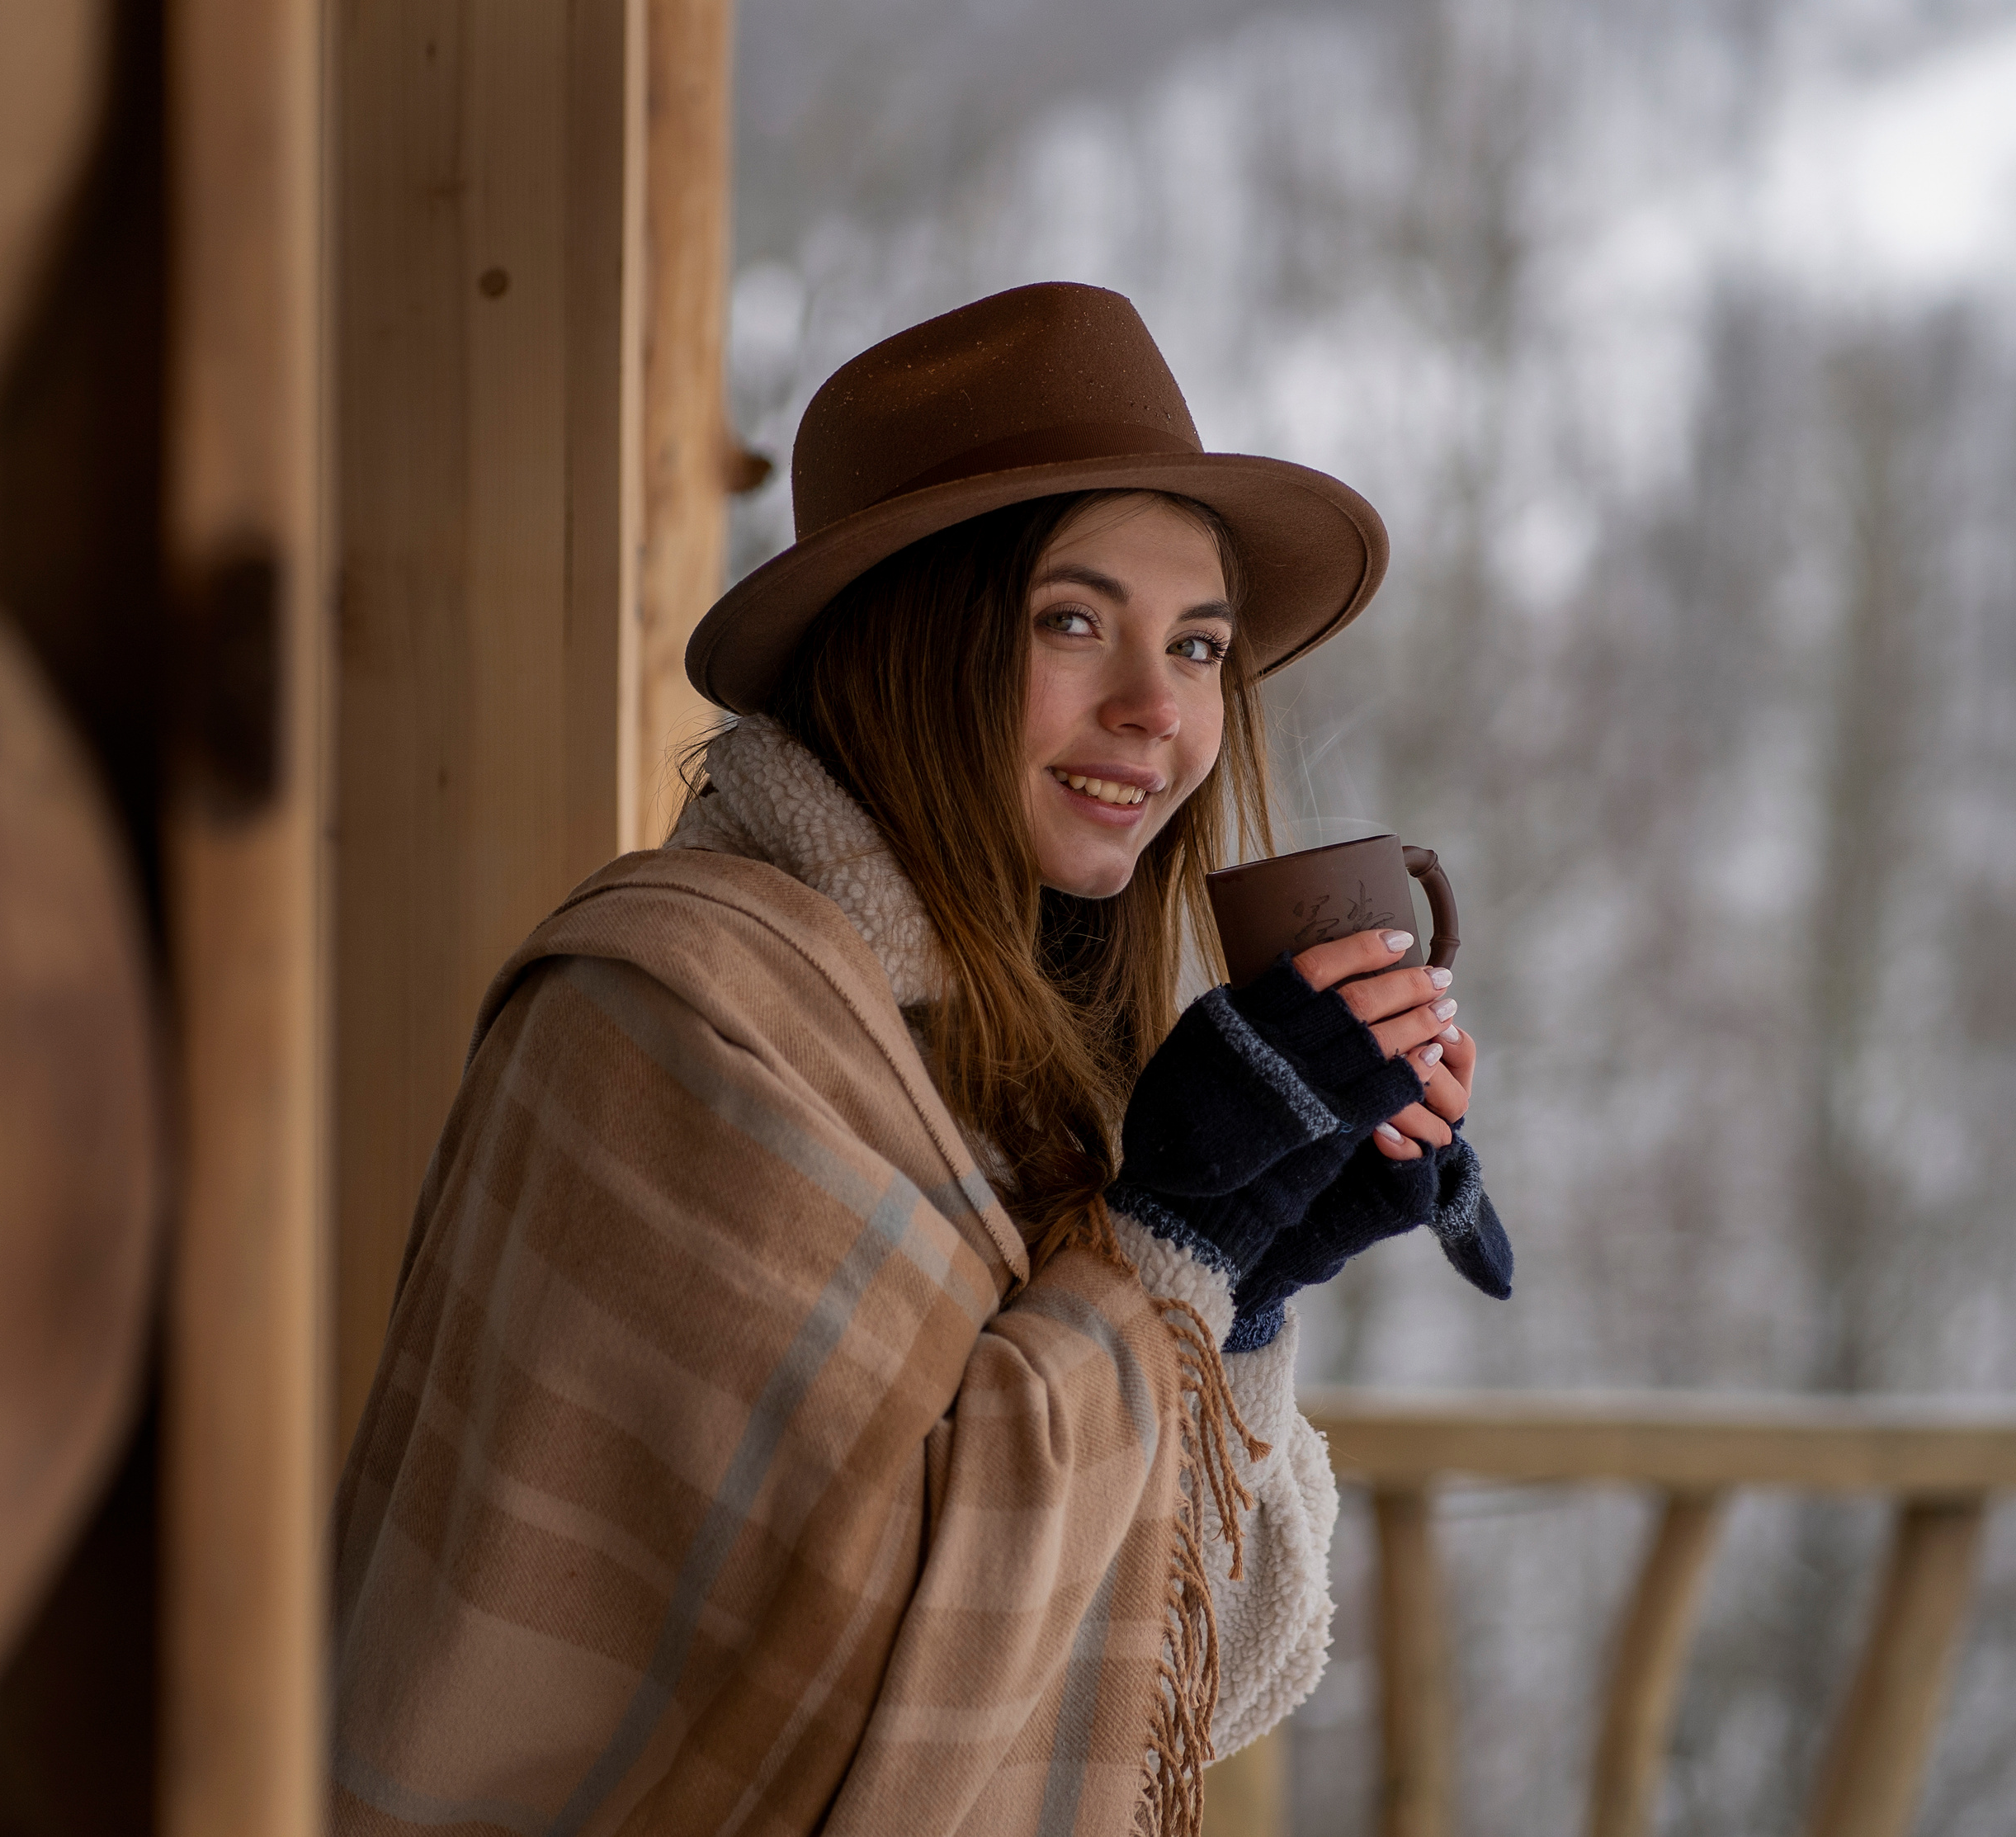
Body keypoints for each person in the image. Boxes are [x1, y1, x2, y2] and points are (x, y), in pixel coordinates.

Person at [329, 282, 1509, 1837]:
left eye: (1199, 644)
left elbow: (1169, 1684)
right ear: (910, 640)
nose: (1156, 708)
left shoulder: (1030, 1063)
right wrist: (1173, 1245)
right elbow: (846, 1706)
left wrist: (1246, 1284)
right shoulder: (675, 1021)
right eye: (1072, 621)